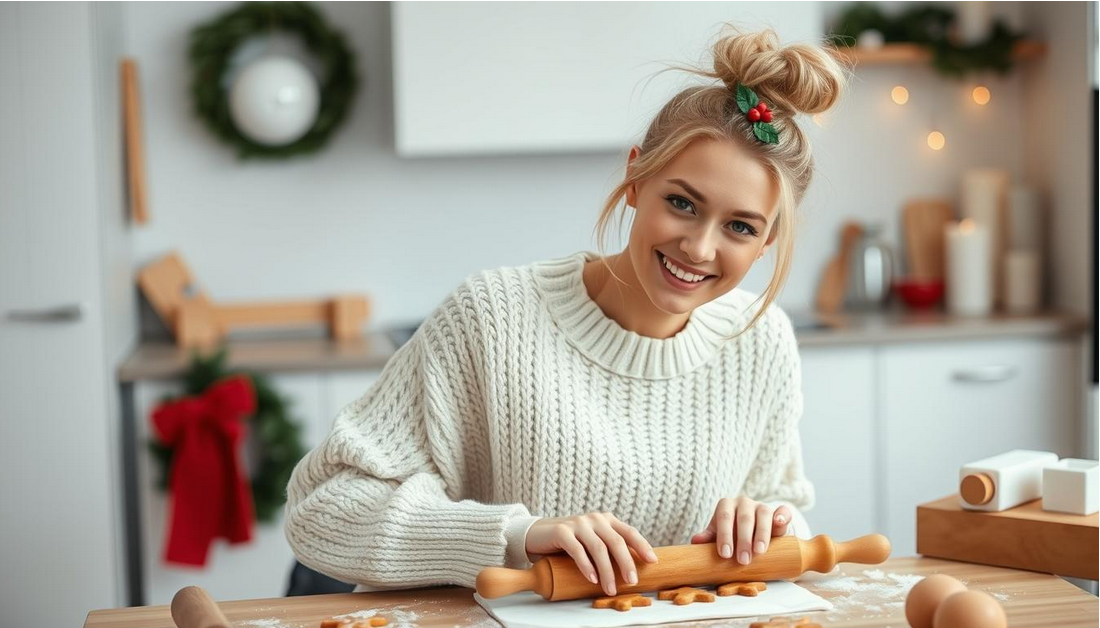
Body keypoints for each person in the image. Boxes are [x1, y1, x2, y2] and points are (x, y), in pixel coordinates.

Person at [284, 25, 851, 597]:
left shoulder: (762, 340)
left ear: (768, 239)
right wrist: (517, 535)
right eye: (682, 203)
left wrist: (769, 525)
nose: (700, 249)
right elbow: (321, 509)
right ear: (636, 176)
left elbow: (788, 510)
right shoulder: (492, 318)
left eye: (740, 227)